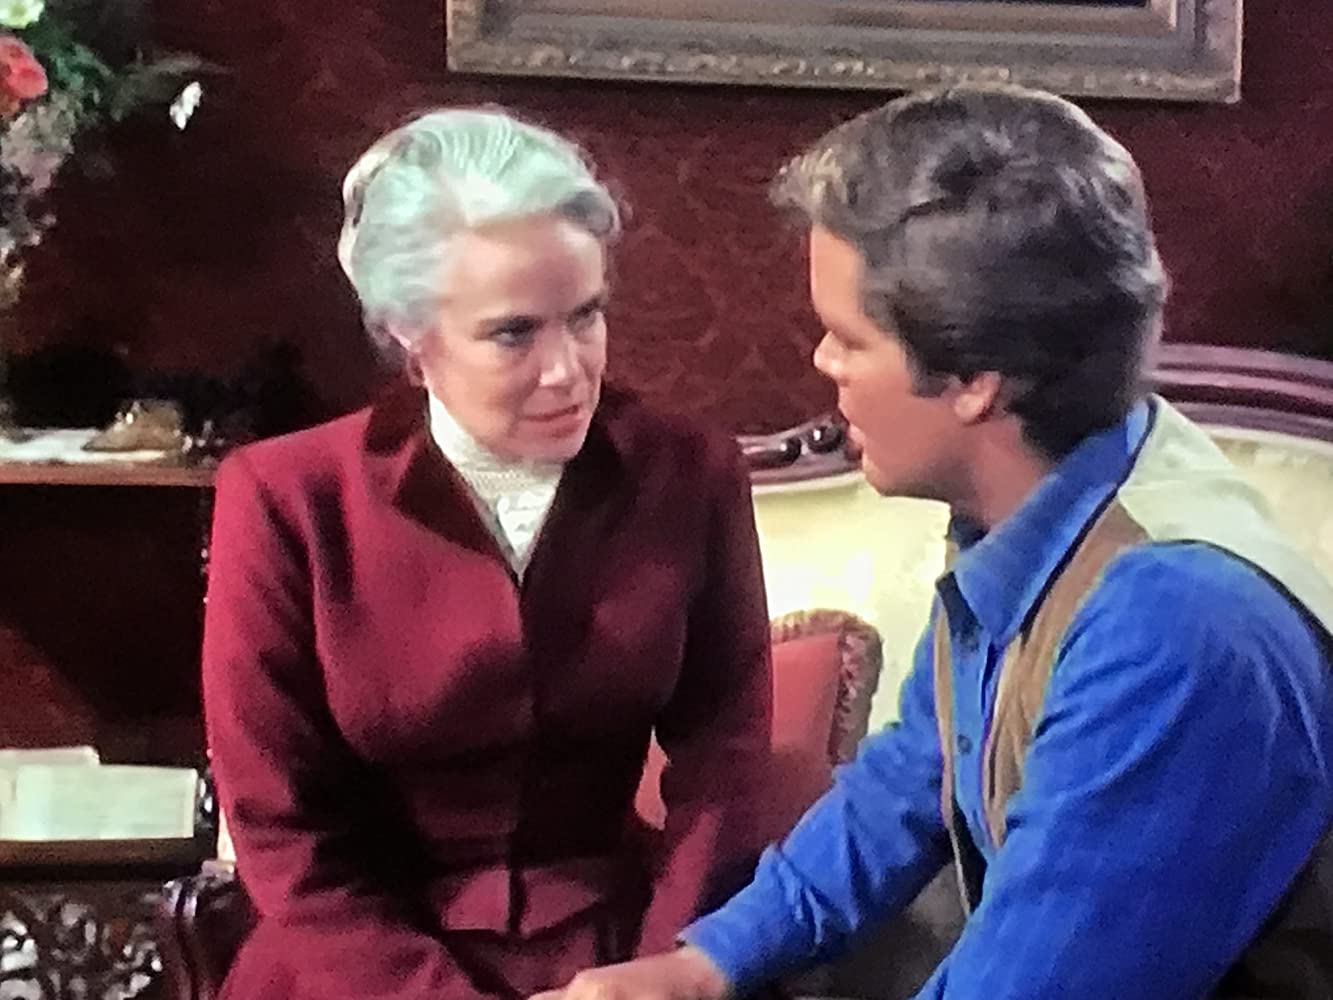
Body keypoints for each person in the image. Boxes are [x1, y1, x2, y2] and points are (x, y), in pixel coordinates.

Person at [531, 83, 1333, 1000]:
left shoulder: (1173, 628)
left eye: (848, 338)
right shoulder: (1039, 504)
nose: (822, 363)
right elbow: (911, 779)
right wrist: (703, 966)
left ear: (974, 381)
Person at [200, 107, 773, 1000]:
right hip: (361, 967)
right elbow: (281, 825)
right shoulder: (287, 498)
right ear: (410, 336)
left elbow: (725, 766)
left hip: (623, 957)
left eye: (585, 317)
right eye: (514, 333)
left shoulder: (688, 472)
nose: (567, 369)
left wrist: (660, 974)